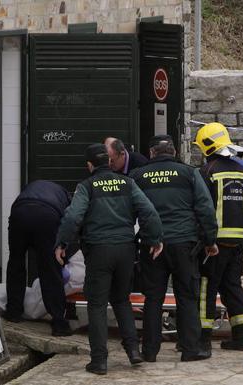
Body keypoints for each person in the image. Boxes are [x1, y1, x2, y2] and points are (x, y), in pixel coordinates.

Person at [54, 143, 164, 375]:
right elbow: (149, 211)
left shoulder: (87, 186)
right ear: (110, 162)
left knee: (96, 305)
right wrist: (154, 238)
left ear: (90, 165)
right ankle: (133, 351)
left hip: (99, 250)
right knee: (122, 300)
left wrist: (62, 243)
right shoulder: (127, 183)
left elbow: (73, 216)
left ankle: (99, 361)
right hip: (125, 250)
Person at [130, 135, 218, 362]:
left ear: (151, 153)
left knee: (153, 298)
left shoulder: (137, 176)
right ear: (175, 152)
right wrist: (210, 240)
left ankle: (149, 351)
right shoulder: (189, 173)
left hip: (152, 246)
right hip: (184, 244)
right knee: (188, 297)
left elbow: (128, 211)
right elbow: (205, 208)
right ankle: (190, 349)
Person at [193, 123, 243, 354]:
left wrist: (207, 241)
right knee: (233, 287)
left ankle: (202, 339)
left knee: (206, 289)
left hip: (214, 244)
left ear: (207, 146)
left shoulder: (206, 172)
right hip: (237, 241)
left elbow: (204, 210)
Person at [4, 180, 73, 336]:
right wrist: (63, 252)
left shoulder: (32, 187)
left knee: (16, 263)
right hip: (47, 216)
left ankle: (13, 312)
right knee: (50, 268)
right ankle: (58, 322)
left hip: (19, 213)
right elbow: (69, 223)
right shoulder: (67, 198)